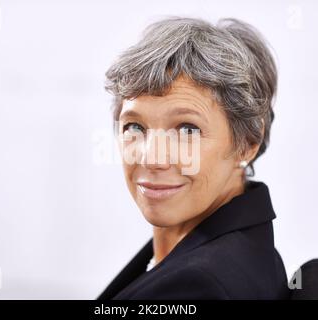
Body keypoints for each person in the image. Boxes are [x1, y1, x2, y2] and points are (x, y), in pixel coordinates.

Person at [97, 16, 289, 299]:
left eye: (187, 129)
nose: (152, 158)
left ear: (248, 143)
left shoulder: (199, 286)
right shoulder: (239, 250)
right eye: (135, 126)